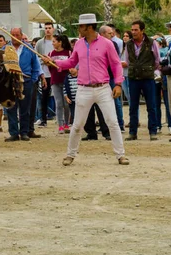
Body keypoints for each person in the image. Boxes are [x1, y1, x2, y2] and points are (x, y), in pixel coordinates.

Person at [50, 14, 129, 166]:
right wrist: (54, 62)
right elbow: (72, 61)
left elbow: (116, 64)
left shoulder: (107, 44)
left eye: (81, 26)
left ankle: (121, 155)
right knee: (77, 124)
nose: (79, 29)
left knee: (112, 122)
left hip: (103, 88)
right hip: (84, 89)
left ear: (89, 27)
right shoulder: (79, 44)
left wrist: (118, 84)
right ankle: (70, 154)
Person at [4, 28, 44, 142]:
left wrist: (33, 79)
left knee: (25, 108)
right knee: (11, 107)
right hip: (10, 80)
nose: (15, 36)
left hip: (26, 80)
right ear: (10, 35)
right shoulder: (5, 49)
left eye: (17, 34)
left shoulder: (29, 48)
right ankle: (13, 133)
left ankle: (24, 132)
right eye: (13, 34)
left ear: (22, 35)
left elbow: (36, 65)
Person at [124, 20, 160, 141]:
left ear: (142, 30)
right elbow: (128, 61)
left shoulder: (151, 42)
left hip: (147, 78)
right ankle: (133, 132)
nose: (133, 32)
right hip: (133, 78)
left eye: (136, 30)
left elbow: (157, 60)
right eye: (132, 30)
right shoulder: (128, 44)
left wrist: (148, 70)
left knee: (151, 106)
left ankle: (153, 131)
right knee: (133, 106)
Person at [47, 34, 72, 133]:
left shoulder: (68, 52)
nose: (52, 43)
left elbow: (71, 64)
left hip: (66, 81)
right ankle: (60, 125)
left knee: (66, 103)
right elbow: (49, 67)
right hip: (55, 80)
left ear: (60, 42)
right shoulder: (50, 53)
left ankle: (66, 123)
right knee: (58, 103)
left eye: (54, 41)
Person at [35, 22, 55, 128]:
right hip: (45, 74)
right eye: (46, 28)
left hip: (55, 72)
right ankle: (43, 119)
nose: (47, 30)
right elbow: (36, 57)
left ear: (53, 29)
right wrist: (43, 60)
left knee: (59, 96)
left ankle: (64, 120)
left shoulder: (56, 41)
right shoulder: (39, 43)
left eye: (49, 28)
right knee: (44, 97)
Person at [153, 34, 171, 135]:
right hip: (155, 78)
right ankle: (157, 125)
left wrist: (163, 65)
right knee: (156, 103)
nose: (154, 41)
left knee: (167, 103)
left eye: (156, 39)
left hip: (165, 78)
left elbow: (169, 61)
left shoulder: (167, 50)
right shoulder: (151, 51)